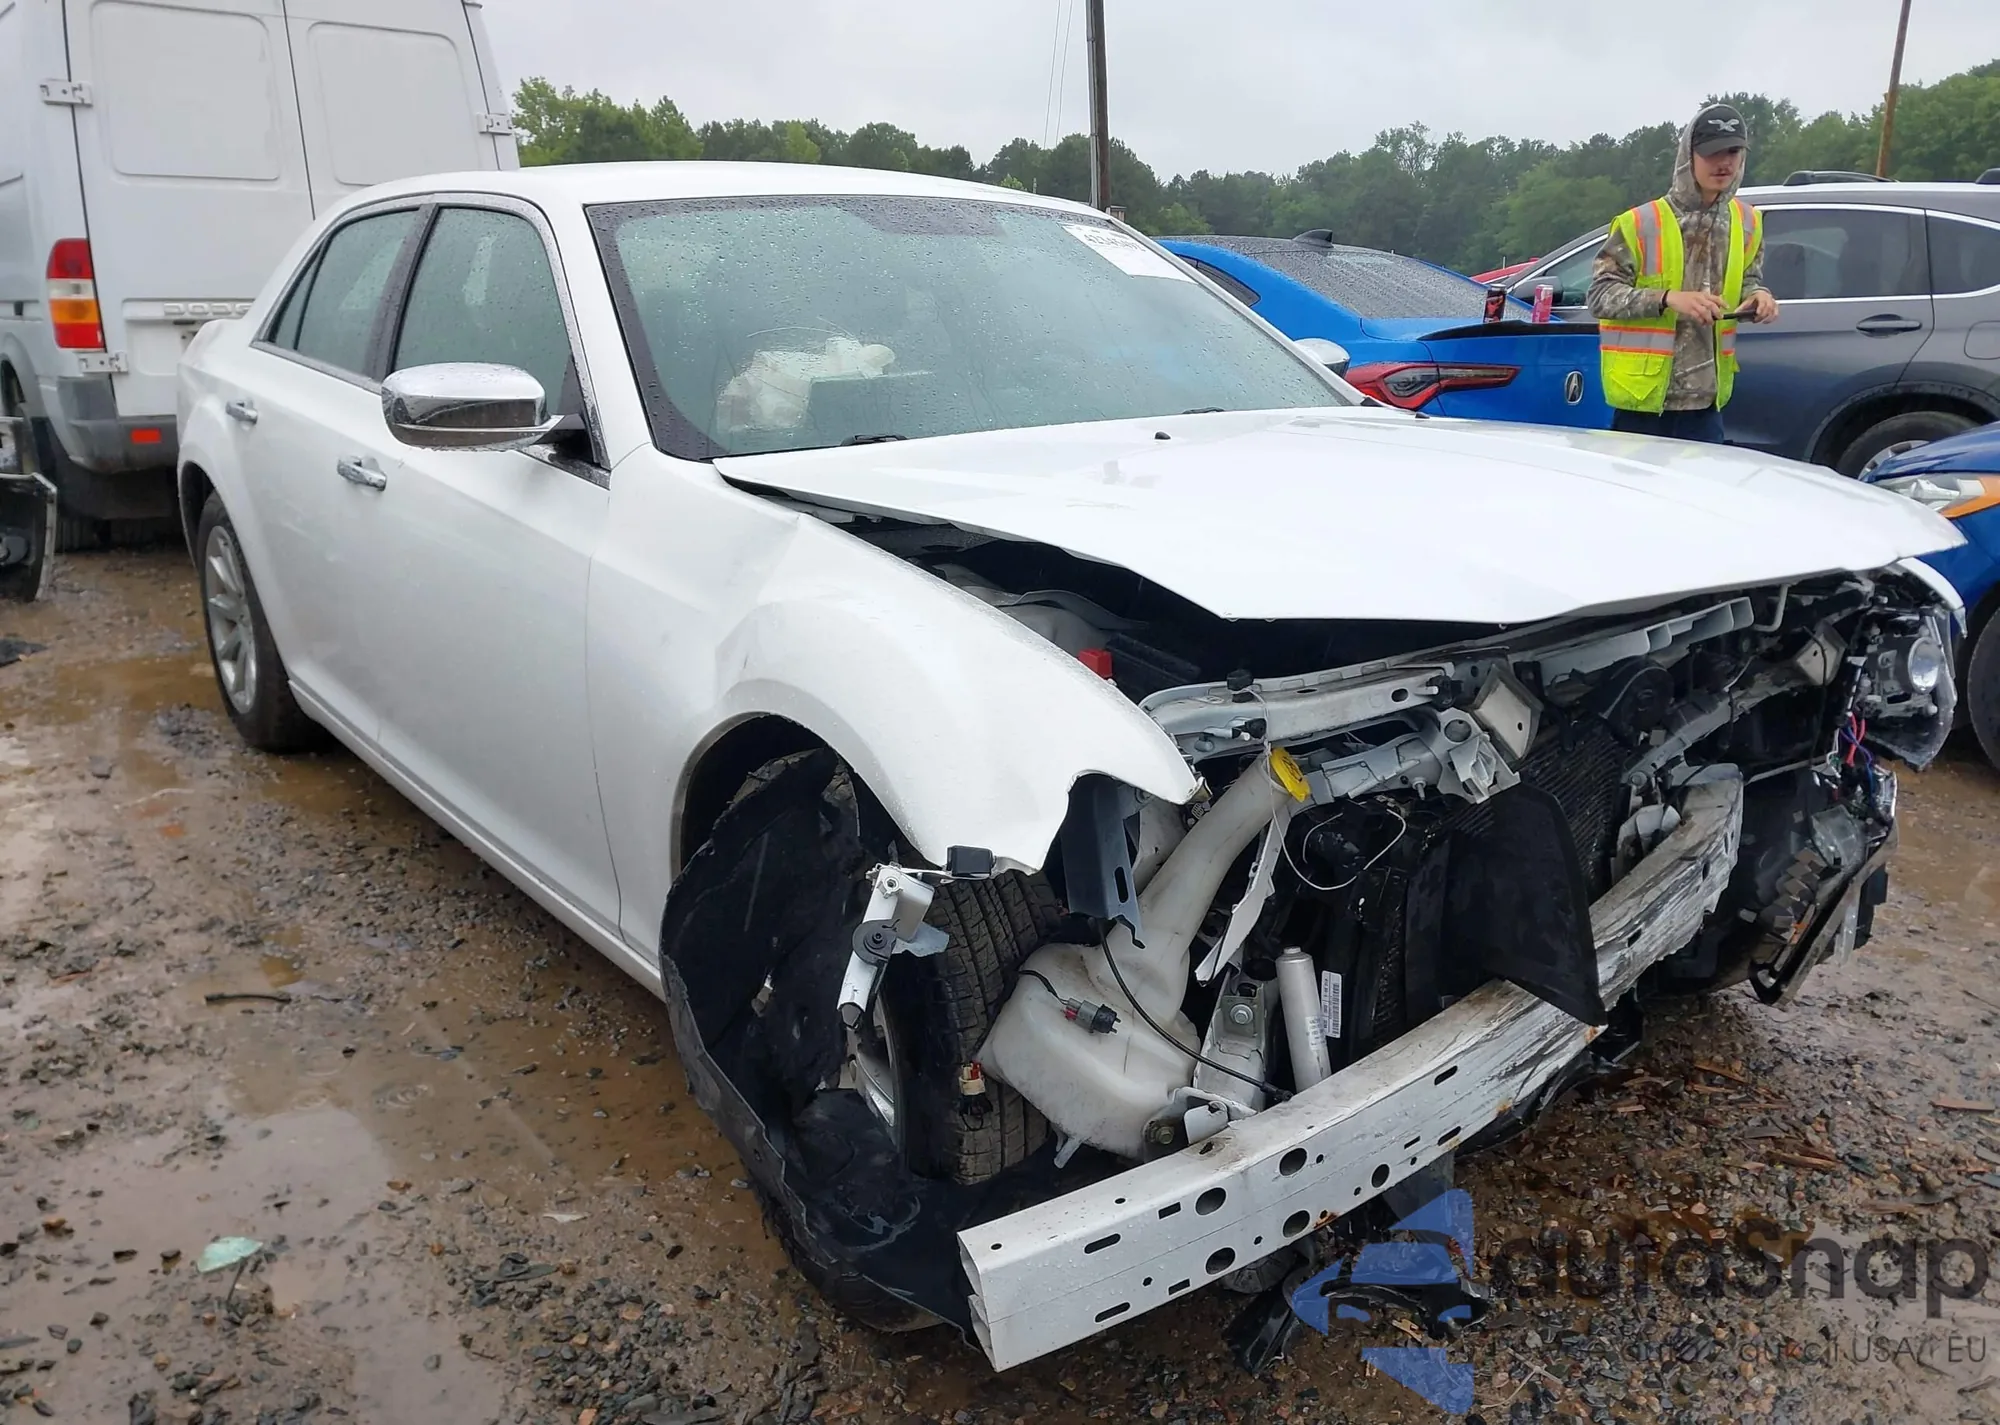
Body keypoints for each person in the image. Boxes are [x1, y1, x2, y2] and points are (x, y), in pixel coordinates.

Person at [1587, 102, 1780, 443]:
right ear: (1688, 156)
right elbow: (1600, 297)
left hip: (1706, 404)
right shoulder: (1640, 223)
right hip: (1644, 404)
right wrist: (1668, 299)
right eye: (1712, 152)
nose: (1724, 162)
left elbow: (1749, 279)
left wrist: (1758, 297)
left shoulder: (1749, 222)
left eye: (1733, 151)